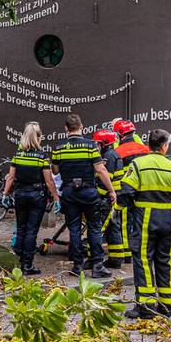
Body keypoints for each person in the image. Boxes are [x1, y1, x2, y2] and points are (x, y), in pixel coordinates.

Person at [118, 130, 171, 319]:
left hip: (144, 221)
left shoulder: (138, 165)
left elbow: (126, 192)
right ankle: (167, 305)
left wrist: (122, 208)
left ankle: (146, 306)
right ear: (165, 146)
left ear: (148, 145)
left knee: (143, 261)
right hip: (168, 221)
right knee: (166, 261)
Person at [52, 113, 116, 277]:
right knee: (94, 228)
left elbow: (55, 170)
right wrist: (111, 190)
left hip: (69, 192)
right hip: (88, 191)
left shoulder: (59, 147)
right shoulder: (90, 146)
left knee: (74, 229)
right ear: (81, 127)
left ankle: (77, 266)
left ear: (66, 128)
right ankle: (97, 267)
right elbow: (100, 170)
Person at [3, 122, 60, 275]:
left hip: (20, 195)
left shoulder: (18, 154)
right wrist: (56, 198)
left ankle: (17, 263)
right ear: (38, 137)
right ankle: (28, 265)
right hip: (37, 196)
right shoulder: (42, 156)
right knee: (31, 231)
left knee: (21, 229)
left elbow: (11, 178)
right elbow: (49, 181)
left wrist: (5, 194)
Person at [111, 119, 150, 264]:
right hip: (144, 190)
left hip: (126, 189)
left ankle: (127, 254)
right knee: (141, 220)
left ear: (120, 134)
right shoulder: (145, 149)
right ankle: (140, 249)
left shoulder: (117, 151)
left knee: (125, 222)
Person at [94, 129, 128, 268]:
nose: (96, 146)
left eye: (98, 143)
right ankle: (116, 259)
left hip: (108, 199)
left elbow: (105, 180)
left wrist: (97, 194)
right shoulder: (113, 154)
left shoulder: (108, 157)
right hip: (114, 198)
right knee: (113, 227)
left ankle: (95, 260)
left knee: (99, 228)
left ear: (104, 144)